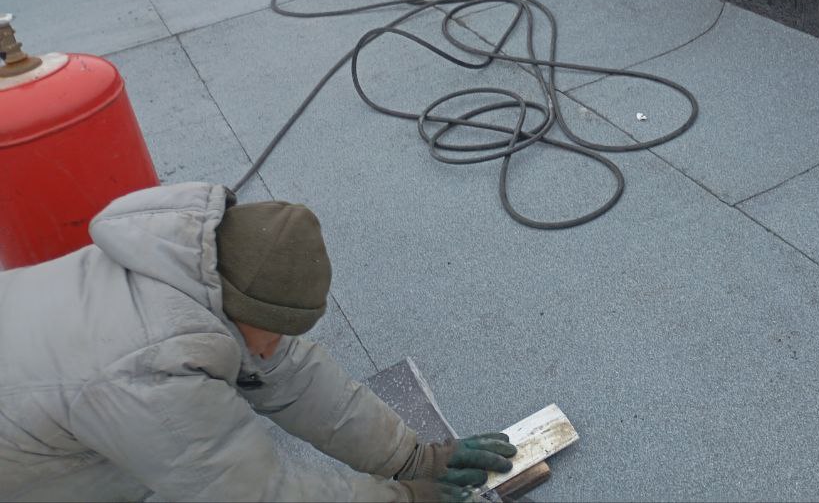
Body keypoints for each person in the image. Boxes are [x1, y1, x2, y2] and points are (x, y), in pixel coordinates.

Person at [0, 182, 516, 502]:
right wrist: (405, 500)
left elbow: (292, 376)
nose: (273, 347)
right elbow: (253, 494)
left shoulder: (200, 272)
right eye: (271, 333)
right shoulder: (151, 374)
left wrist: (414, 460)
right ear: (241, 312)